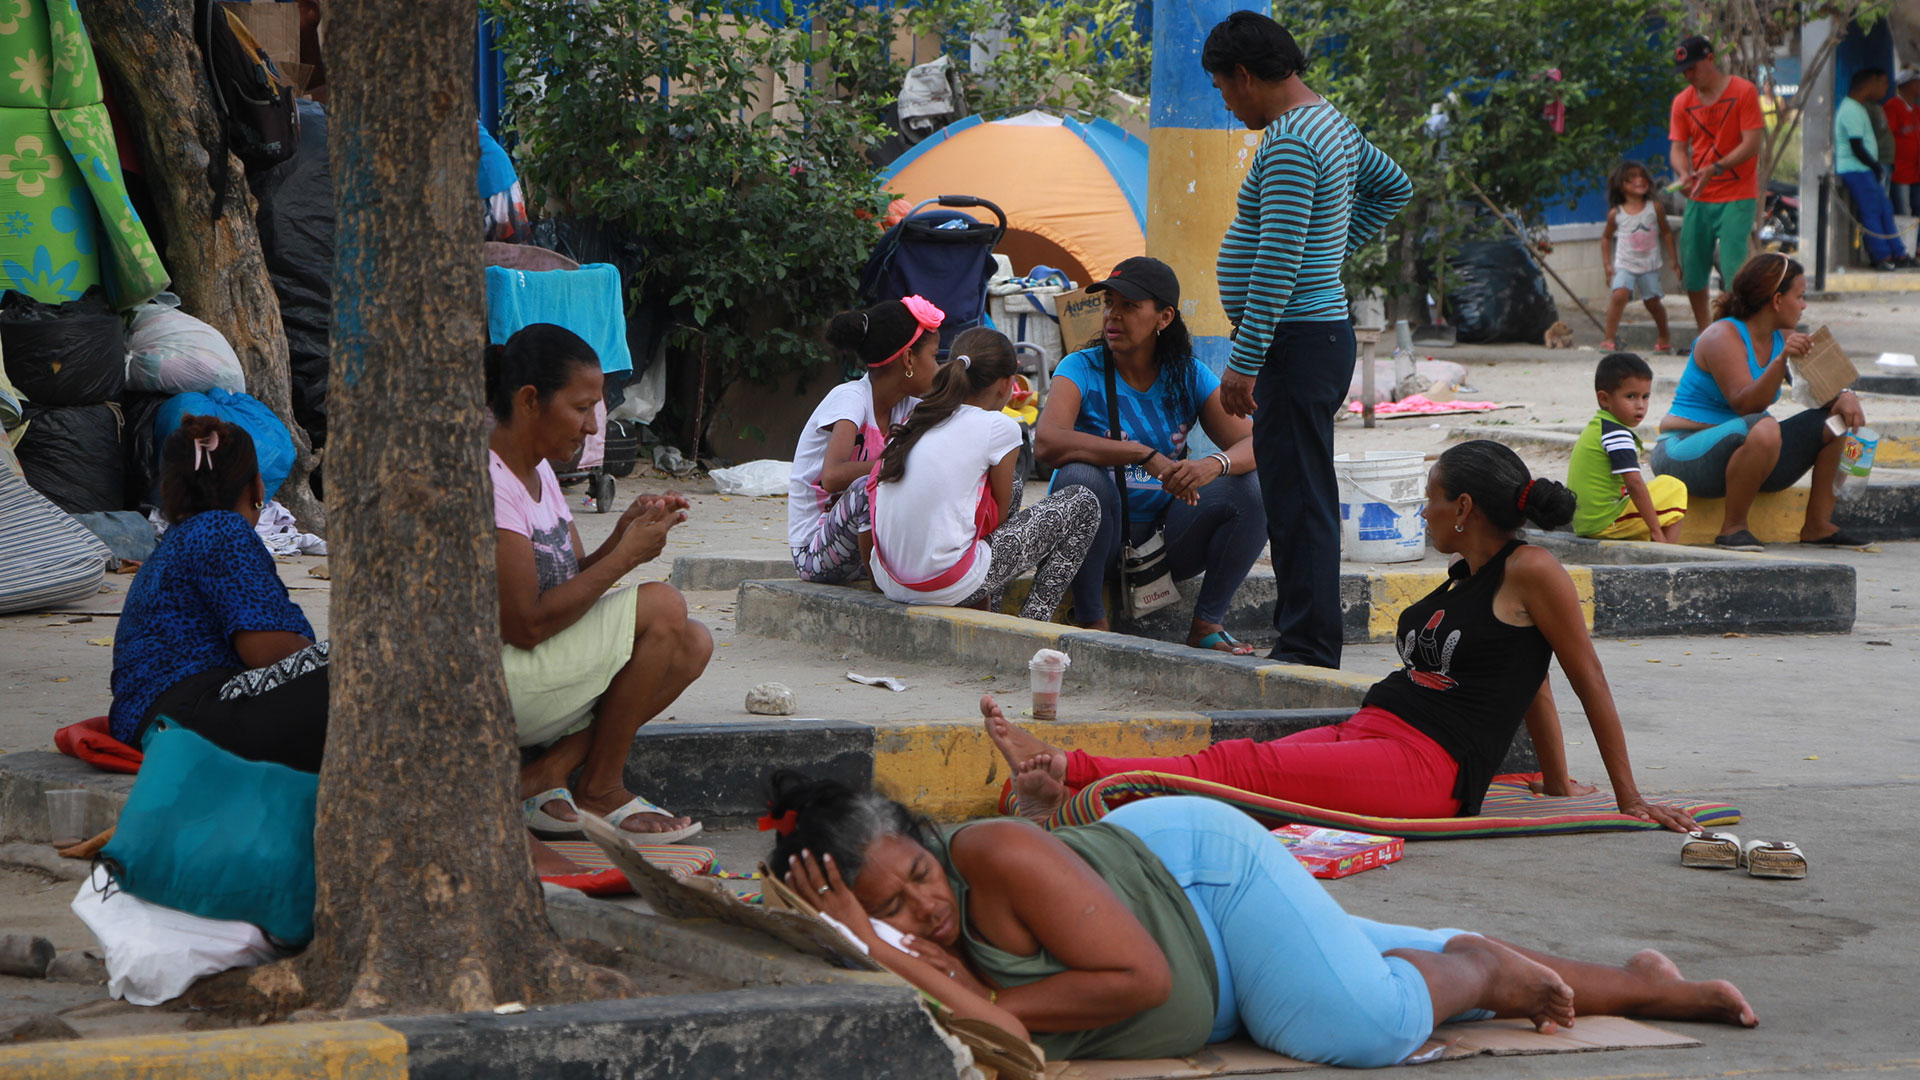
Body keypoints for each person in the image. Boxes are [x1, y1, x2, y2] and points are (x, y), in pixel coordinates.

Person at [767, 773, 1758, 1068]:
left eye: (911, 882)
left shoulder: (987, 853)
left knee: (1361, 1024)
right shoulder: (886, 946)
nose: (921, 915)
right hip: (1208, 957)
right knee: (1375, 966)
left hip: (1206, 884)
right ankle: (1655, 985)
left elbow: (1139, 984)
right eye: (891, 911)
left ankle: (1480, 969)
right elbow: (998, 1023)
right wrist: (862, 936)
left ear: (921, 837)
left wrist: (949, 972)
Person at [983, 441, 1698, 831]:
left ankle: (1064, 770)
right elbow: (1526, 676)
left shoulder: (1533, 569)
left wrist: (1628, 799)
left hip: (1429, 770)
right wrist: (1549, 778)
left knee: (1248, 776)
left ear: (1466, 507)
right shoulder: (1466, 571)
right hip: (1376, 727)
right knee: (1236, 760)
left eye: (1432, 498)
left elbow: (1580, 676)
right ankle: (1069, 785)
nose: (1422, 510)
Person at [1204, 12, 1413, 669]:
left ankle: (1307, 649)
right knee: (1301, 497)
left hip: (1293, 340)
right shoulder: (1331, 120)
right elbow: (1393, 186)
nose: (1227, 102)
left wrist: (1245, 359)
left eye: (1224, 88)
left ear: (1246, 75)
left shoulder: (1292, 140)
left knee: (1298, 505)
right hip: (1309, 335)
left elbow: (1276, 256)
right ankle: (1304, 639)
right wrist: (1333, 252)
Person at [489, 323, 712, 843]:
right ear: (529, 401)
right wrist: (626, 561)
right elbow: (525, 625)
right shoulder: (490, 480)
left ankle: (547, 772)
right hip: (495, 680)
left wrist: (621, 538)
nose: (593, 426)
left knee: (692, 643)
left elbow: (567, 583)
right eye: (581, 407)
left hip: (533, 667)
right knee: (663, 606)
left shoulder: (538, 472)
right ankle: (600, 786)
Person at [1035, 258, 1265, 654]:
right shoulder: (1080, 367)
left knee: (1254, 489)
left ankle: (1207, 624)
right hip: (1095, 542)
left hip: (1165, 539)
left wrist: (1213, 465)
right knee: (1080, 478)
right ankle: (1093, 620)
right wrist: (1141, 453)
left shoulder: (1188, 374)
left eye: (1129, 305)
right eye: (1109, 302)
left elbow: (1255, 444)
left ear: (1164, 316)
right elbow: (1047, 443)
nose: (1113, 315)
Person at [110, 416, 328, 771]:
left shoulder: (175, 544)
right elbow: (267, 651)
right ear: (258, 488)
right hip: (186, 716)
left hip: (151, 719)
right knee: (363, 672)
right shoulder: (222, 528)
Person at [868, 328, 1099, 621]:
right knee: (1083, 502)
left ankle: (993, 611)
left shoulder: (919, 418)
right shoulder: (1000, 427)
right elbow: (1000, 520)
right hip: (942, 585)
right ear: (1007, 385)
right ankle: (1034, 621)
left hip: (891, 581)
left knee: (1010, 486)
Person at [1652, 254, 1868, 551]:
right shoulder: (1722, 336)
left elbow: (1826, 386)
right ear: (1777, 300)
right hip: (1684, 452)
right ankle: (1734, 528)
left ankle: (1818, 525)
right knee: (1765, 427)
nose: (1804, 305)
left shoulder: (1785, 335)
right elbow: (1746, 404)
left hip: (1748, 455)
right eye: (1800, 296)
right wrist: (1781, 360)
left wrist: (1846, 395)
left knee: (1838, 421)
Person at [788, 296, 945, 584]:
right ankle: (880, 582)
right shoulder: (850, 399)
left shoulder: (908, 408)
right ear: (909, 358)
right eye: (934, 356)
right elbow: (832, 477)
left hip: (866, 550)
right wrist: (897, 463)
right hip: (815, 554)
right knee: (867, 488)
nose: (937, 367)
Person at [1668, 35, 1765, 330]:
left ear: (1710, 59)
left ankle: (1739, 328)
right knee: (1693, 268)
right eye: (1684, 71)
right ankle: (1706, 332)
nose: (1689, 75)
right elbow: (1677, 148)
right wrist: (1684, 173)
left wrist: (1717, 167)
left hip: (1738, 193)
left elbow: (1752, 143)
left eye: (1693, 68)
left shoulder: (1743, 91)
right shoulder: (1682, 101)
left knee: (1735, 266)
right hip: (1699, 195)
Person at [1569, 353, 1688, 543]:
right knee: (1674, 488)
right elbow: (1634, 484)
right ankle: (1667, 550)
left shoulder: (1598, 426)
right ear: (1605, 399)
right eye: (1631, 396)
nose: (1640, 405)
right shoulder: (1616, 433)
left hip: (1588, 521)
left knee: (1661, 490)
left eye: (1645, 397)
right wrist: (1655, 529)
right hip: (1604, 521)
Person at [1835, 68, 1915, 272]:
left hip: (1865, 168)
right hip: (1855, 168)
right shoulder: (1850, 109)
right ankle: (1881, 256)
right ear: (1871, 82)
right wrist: (1875, 166)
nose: (1886, 89)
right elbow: (1856, 145)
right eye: (1884, 83)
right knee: (1871, 211)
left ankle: (1899, 253)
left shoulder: (1860, 107)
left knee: (1885, 209)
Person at [1599, 162, 1680, 353]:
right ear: (1621, 184)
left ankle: (1664, 337)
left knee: (1652, 302)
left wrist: (1674, 260)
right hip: (1625, 264)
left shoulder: (1655, 208)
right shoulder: (1616, 213)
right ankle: (1608, 338)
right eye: (1632, 177)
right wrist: (1607, 266)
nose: (1639, 180)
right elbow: (1606, 237)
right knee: (1619, 294)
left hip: (1649, 265)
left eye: (1643, 176)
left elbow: (1666, 233)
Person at [1887, 69, 1920, 217]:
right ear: (1906, 85)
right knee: (1903, 212)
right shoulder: (1892, 107)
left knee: (1917, 209)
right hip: (1900, 172)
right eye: (1916, 83)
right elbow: (1887, 137)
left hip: (1917, 172)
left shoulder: (1917, 111)